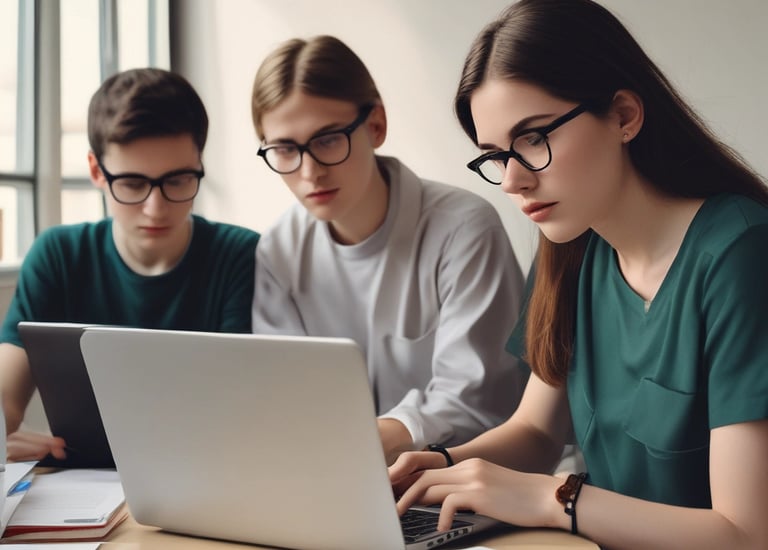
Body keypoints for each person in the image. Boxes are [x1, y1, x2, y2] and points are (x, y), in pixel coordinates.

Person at [389, 0, 768, 547]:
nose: (513, 180)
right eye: (495, 155)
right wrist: (441, 466)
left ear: (623, 116)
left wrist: (554, 498)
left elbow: (745, 534)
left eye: (534, 138)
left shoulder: (740, 254)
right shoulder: (570, 244)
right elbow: (537, 433)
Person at [250, 35, 527, 465]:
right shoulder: (279, 250)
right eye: (285, 149)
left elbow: (478, 403)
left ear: (375, 124)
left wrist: (368, 440)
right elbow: (288, 401)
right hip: (337, 481)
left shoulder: (465, 229)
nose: (310, 172)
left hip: (469, 481)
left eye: (327, 139)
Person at [1, 68, 260, 462]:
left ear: (200, 165)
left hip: (209, 474)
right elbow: (5, 393)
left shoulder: (240, 254)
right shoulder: (58, 255)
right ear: (95, 171)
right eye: (133, 184)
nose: (155, 208)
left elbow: (243, 407)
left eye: (177, 180)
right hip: (81, 486)